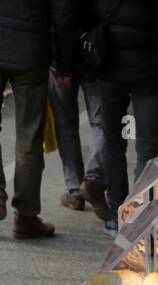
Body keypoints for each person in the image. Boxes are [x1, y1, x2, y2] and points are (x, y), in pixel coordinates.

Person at [83, 0, 158, 232]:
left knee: (114, 144)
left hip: (110, 67)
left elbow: (84, 13)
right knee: (147, 148)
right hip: (150, 70)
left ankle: (117, 212)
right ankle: (140, 213)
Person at [0, 0, 77, 238]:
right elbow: (62, 13)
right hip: (30, 53)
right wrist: (64, 64)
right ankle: (26, 215)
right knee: (29, 137)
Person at [48, 65, 108, 217]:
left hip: (61, 60)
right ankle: (91, 179)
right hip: (93, 58)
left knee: (65, 123)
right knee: (100, 122)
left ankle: (74, 191)